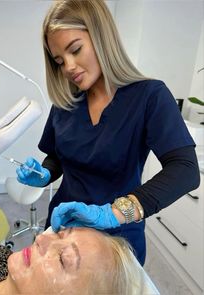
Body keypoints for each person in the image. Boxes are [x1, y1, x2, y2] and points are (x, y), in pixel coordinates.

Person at [16, 0, 200, 266]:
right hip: (62, 228)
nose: (68, 67)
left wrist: (112, 213)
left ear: (102, 36)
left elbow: (185, 170)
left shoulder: (149, 96)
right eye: (59, 61)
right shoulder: (66, 104)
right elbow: (56, 157)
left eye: (75, 50)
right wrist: (44, 174)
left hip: (116, 239)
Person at [0, 227, 156, 294]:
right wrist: (46, 172)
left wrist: (127, 208)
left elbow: (184, 163)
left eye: (62, 258)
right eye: (58, 234)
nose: (40, 238)